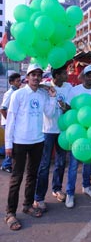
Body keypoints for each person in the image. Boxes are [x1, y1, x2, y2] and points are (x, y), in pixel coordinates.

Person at [4, 63, 57, 231]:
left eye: (38, 75)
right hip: (20, 142)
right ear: (27, 77)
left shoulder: (42, 95)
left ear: (41, 78)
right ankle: (10, 213)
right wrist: (8, 144)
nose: (36, 77)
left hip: (38, 141)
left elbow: (49, 113)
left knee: (32, 176)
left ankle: (27, 205)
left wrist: (52, 96)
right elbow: (10, 119)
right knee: (16, 178)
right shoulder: (18, 94)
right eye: (32, 74)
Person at [33, 65, 72, 212]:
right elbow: (31, 84)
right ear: (56, 76)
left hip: (63, 131)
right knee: (44, 165)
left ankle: (57, 189)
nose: (67, 75)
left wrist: (65, 107)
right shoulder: (46, 87)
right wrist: (45, 86)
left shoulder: (69, 87)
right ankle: (39, 197)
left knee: (61, 162)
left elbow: (72, 107)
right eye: (64, 73)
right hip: (47, 131)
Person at [65, 65, 91, 209]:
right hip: (77, 133)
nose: (90, 78)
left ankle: (86, 186)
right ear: (83, 76)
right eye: (88, 75)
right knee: (74, 166)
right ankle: (70, 193)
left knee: (88, 163)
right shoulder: (75, 91)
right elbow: (68, 109)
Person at [0, 72, 21, 173]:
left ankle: (7, 163)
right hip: (7, 123)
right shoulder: (9, 93)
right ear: (11, 82)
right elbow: (3, 109)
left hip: (11, 122)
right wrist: (9, 121)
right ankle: (6, 164)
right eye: (17, 81)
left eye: (20, 80)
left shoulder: (17, 92)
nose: (19, 83)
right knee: (10, 143)